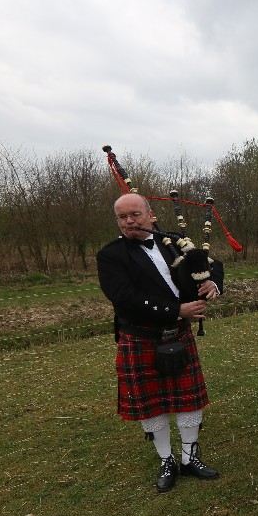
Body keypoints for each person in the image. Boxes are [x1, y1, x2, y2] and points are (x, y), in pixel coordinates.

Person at [97, 193, 222, 492]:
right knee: (153, 407)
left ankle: (190, 458)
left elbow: (211, 263)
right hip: (141, 337)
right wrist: (177, 310)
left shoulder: (172, 241)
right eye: (123, 217)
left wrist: (212, 282)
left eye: (135, 214)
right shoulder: (111, 255)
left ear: (150, 215)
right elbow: (125, 298)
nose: (129, 221)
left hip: (178, 335)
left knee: (188, 401)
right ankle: (167, 460)